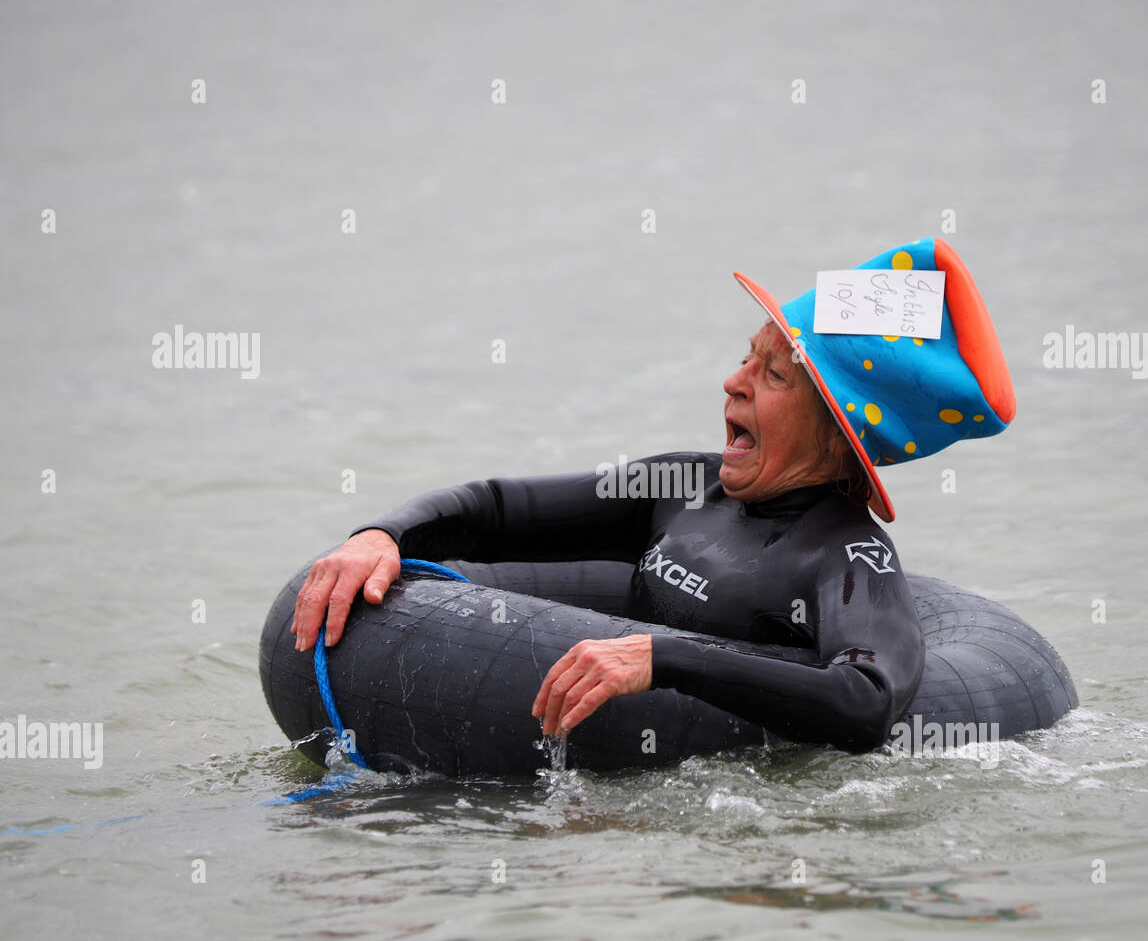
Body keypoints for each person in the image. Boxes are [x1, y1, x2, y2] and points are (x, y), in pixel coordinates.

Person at [291, 237, 1016, 753]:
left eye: (773, 374)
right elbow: (498, 511)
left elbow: (867, 702)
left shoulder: (847, 555)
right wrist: (383, 534)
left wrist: (664, 658)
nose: (733, 381)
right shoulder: (683, 488)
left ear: (835, 429)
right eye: (746, 356)